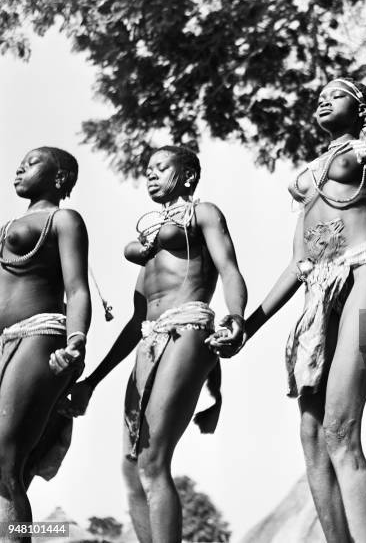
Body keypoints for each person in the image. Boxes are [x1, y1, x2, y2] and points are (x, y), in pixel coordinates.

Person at [212, 77, 366, 543]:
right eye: (320, 95)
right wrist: (247, 325)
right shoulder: (308, 177)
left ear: (362, 107)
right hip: (316, 289)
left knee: (341, 427)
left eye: (338, 93)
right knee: (312, 436)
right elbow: (297, 263)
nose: (324, 98)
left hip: (363, 272)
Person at [68, 146, 247, 543]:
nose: (149, 175)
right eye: (147, 170)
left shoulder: (203, 213)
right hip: (149, 341)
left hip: (187, 327)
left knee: (152, 460)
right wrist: (91, 383)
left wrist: (235, 316)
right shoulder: (151, 246)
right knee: (133, 467)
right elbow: (136, 322)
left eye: (160, 168)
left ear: (186, 177)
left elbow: (230, 270)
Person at [0, 147, 91, 540]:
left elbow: (77, 288)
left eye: (33, 162)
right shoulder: (11, 223)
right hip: (4, 341)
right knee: (6, 469)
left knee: (4, 460)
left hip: (40, 335)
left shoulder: (63, 219)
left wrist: (77, 341)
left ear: (59, 178)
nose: (20, 167)